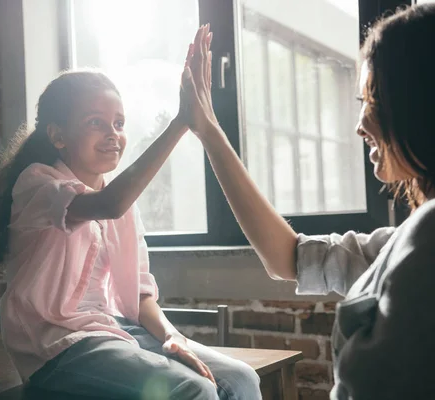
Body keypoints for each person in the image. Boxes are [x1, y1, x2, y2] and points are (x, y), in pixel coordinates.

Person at [0, 27, 261, 400]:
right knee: (193, 391)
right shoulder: (39, 184)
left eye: (119, 123)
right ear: (58, 136)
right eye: (96, 122)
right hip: (56, 346)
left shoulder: (121, 199)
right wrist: (180, 123)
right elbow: (109, 206)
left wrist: (172, 336)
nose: (113, 134)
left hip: (114, 328)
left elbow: (140, 294)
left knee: (241, 379)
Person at [181, 6, 435, 400]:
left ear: (416, 101)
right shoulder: (405, 240)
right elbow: (289, 257)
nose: (359, 124)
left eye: (369, 98)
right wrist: (210, 132)